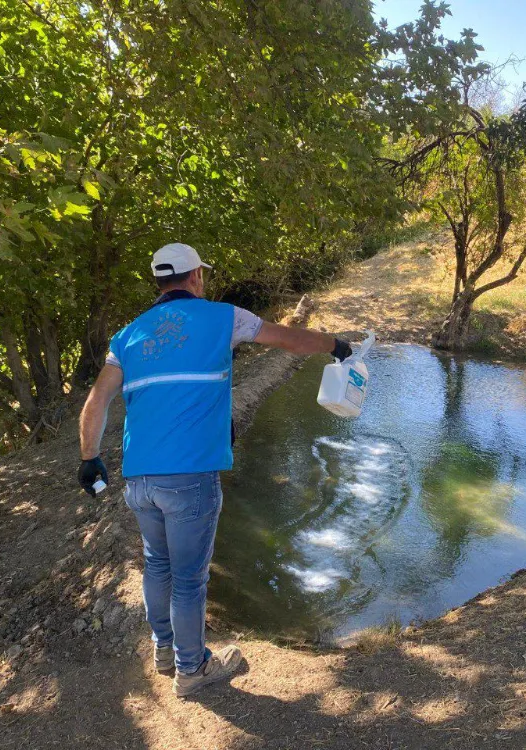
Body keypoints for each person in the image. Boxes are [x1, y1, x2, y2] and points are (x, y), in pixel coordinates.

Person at [77, 242, 353, 697]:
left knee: (157, 565)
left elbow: (97, 400)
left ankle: (164, 651)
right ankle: (192, 669)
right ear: (195, 277)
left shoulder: (127, 336)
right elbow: (289, 339)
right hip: (189, 477)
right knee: (188, 578)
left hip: (139, 478)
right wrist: (335, 345)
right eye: (201, 274)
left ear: (159, 282)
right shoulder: (223, 316)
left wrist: (90, 458)